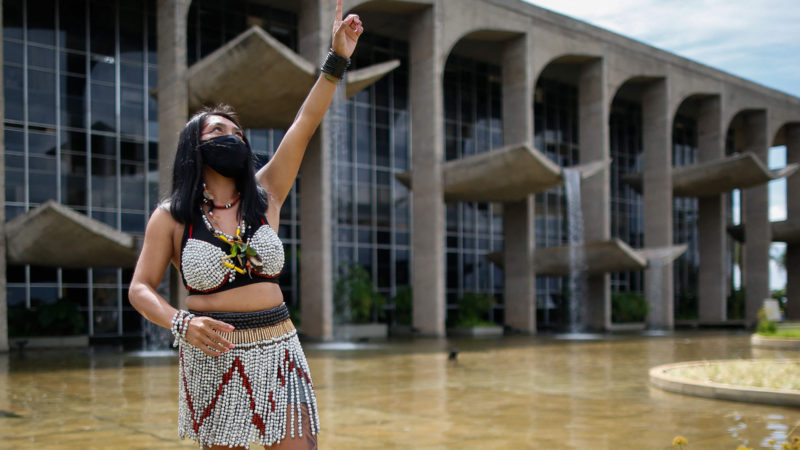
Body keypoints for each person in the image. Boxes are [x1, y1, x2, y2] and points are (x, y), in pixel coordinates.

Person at [128, 2, 363, 449]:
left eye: (237, 133)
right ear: (193, 149)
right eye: (218, 131)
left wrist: (337, 59)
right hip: (212, 354)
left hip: (279, 345)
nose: (232, 138)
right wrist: (181, 323)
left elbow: (304, 123)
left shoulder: (266, 192)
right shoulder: (173, 216)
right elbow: (140, 288)